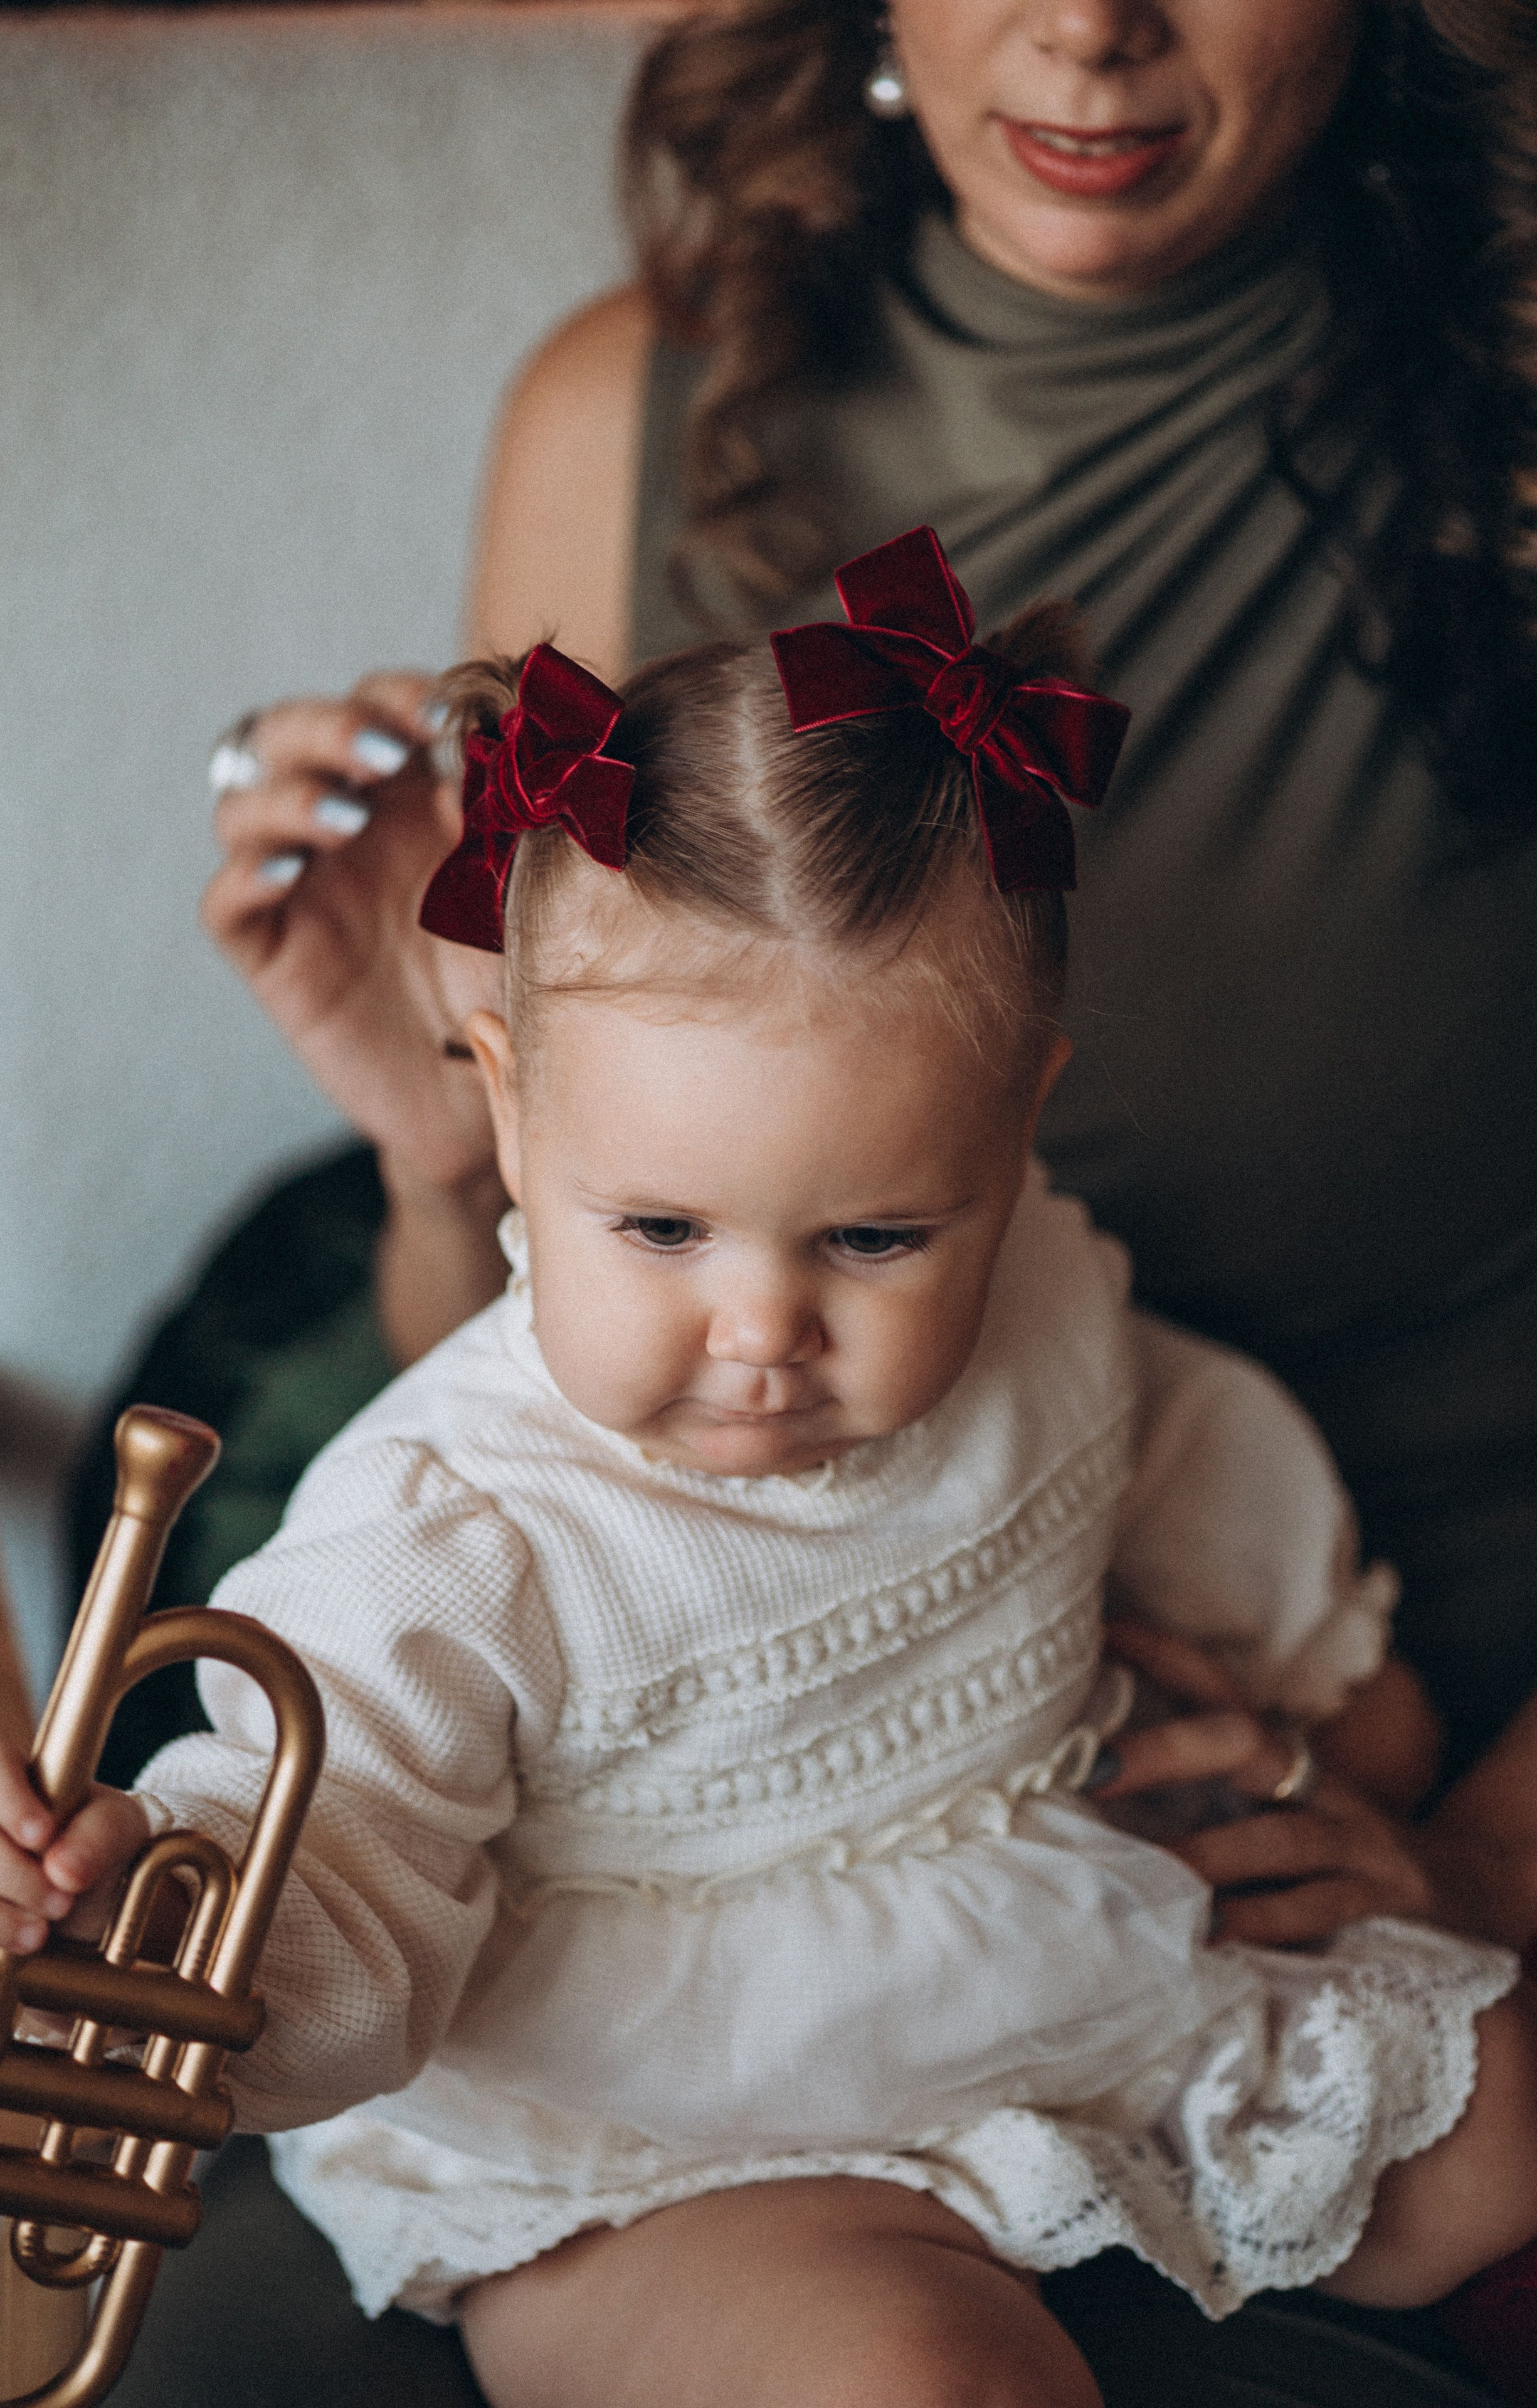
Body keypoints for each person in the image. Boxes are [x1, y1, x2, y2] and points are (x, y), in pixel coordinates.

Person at [0, 538, 1536, 2407]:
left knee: (1504, 2126)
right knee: (918, 2382)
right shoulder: (450, 1530)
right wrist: (135, 1909)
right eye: (667, 1227)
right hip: (666, 2134)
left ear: (1017, 1132)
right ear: (513, 1114)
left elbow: (1172, 1439)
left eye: (874, 1240)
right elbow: (337, 1861)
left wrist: (1327, 1685)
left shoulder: (1042, 1292)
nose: (761, 1328)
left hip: (1051, 1981)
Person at [179, 0, 1537, 1970]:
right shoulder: (630, 406)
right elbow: (544, 1432)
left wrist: (1498, 1868)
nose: (1090, 27)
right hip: (779, 1807)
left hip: (1413, 1708)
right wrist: (438, 1149)